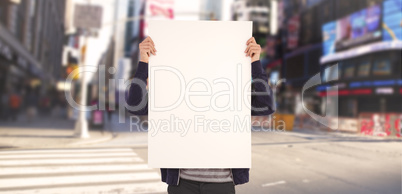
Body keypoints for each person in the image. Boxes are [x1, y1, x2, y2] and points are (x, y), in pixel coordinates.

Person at [127, 36, 274, 194]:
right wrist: (144, 61)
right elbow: (135, 106)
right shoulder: (174, 93)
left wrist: (255, 63)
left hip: (222, 183)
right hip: (182, 182)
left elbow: (266, 106)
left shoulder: (232, 94)